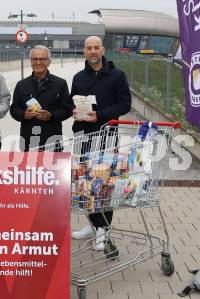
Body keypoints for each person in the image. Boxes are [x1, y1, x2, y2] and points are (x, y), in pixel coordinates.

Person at [70, 36, 132, 251]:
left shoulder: (116, 75)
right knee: (86, 183)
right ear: (84, 52)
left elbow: (125, 104)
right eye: (89, 48)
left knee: (104, 185)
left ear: (102, 50)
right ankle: (92, 224)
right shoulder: (79, 77)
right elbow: (73, 102)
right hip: (85, 138)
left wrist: (100, 115)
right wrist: (76, 113)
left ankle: (103, 230)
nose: (93, 51)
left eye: (96, 47)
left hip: (107, 137)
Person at [10, 45, 73, 151]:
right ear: (30, 61)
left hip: (52, 139)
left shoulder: (60, 84)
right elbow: (14, 109)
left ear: (49, 61)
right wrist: (24, 114)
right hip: (28, 140)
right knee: (29, 168)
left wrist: (51, 115)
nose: (38, 62)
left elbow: (68, 109)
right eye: (35, 59)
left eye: (42, 59)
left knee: (53, 168)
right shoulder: (21, 85)